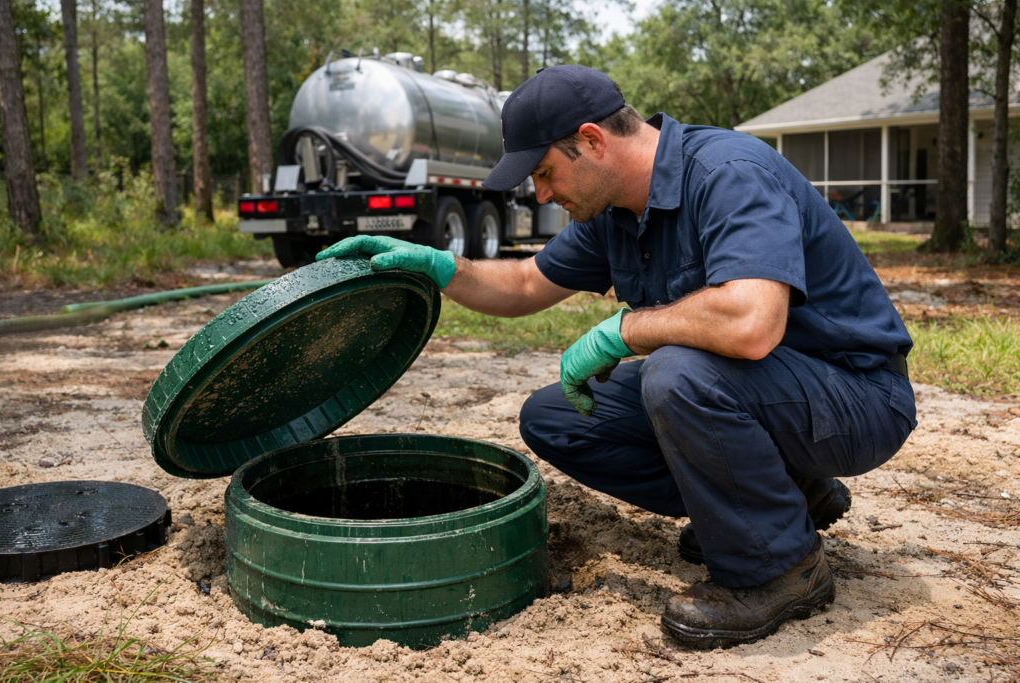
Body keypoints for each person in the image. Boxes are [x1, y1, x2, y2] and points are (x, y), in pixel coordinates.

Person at [316, 65, 917, 649]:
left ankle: (780, 569)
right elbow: (527, 284)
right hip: (768, 398)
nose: (542, 193)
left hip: (856, 398)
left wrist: (624, 331)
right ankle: (787, 496)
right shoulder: (615, 213)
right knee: (555, 418)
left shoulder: (729, 173)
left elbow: (752, 324)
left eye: (545, 172)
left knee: (677, 374)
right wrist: (439, 265)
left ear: (592, 141)